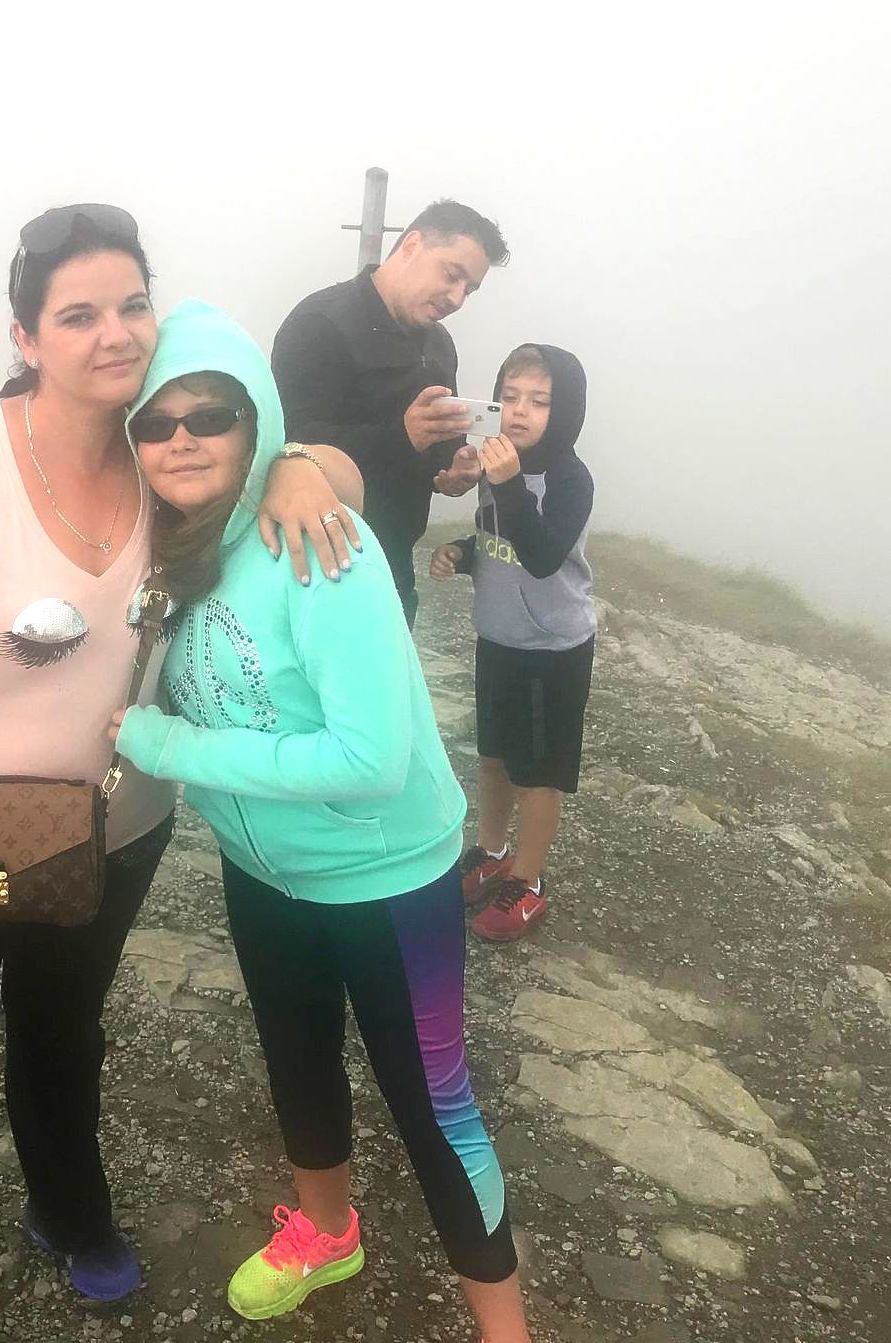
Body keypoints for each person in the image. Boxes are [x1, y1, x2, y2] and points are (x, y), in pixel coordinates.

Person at [0, 206, 362, 1342]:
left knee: (66, 1032)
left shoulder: (174, 446)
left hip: (104, 828)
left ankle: (67, 1209)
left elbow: (331, 458)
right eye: (78, 314)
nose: (114, 333)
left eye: (131, 304)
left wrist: (300, 462)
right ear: (26, 336)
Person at [112, 299, 532, 1343]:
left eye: (212, 415)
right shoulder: (166, 549)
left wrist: (162, 747)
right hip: (265, 873)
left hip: (387, 881)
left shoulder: (314, 539)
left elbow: (369, 757)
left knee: (434, 1109)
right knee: (296, 1063)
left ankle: (510, 1331)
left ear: (255, 421)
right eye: (155, 424)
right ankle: (329, 1231)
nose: (182, 440)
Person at [272, 198, 509, 625]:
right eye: (452, 275)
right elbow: (289, 445)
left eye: (469, 289)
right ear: (413, 244)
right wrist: (401, 436)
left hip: (395, 566)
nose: (457, 298)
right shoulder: (319, 324)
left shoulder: (439, 345)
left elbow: (434, 445)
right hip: (316, 566)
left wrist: (451, 468)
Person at [429, 344, 595, 943]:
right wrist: (462, 554)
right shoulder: (499, 466)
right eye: (511, 397)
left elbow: (544, 556)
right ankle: (491, 851)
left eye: (540, 401)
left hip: (552, 649)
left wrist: (511, 484)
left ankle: (528, 880)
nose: (520, 412)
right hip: (497, 638)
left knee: (538, 771)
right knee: (494, 755)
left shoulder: (570, 479)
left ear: (568, 409)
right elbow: (495, 536)